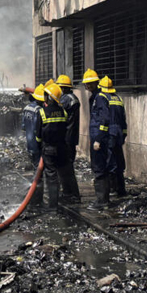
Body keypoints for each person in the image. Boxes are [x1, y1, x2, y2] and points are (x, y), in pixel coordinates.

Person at [36, 82, 68, 208]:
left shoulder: (42, 112)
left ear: (49, 97)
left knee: (51, 176)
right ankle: (61, 200)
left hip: (48, 148)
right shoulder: (63, 112)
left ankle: (53, 205)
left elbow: (38, 134)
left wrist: (40, 147)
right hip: (61, 148)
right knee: (61, 174)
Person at [82, 69, 111, 208]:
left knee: (100, 168)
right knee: (97, 167)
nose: (88, 86)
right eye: (86, 84)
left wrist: (98, 139)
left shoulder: (100, 97)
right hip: (95, 138)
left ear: (96, 83)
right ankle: (101, 199)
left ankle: (102, 201)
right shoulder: (94, 97)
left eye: (90, 83)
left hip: (99, 139)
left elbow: (105, 120)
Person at [99, 76, 128, 197]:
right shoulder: (118, 98)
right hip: (119, 133)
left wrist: (100, 136)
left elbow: (104, 118)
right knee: (119, 160)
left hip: (110, 132)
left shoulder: (103, 98)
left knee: (110, 161)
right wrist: (124, 134)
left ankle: (113, 189)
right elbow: (123, 119)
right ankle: (121, 189)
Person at [56, 74, 82, 202]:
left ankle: (72, 195)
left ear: (63, 88)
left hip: (66, 138)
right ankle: (69, 194)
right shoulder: (73, 98)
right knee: (66, 167)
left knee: (66, 168)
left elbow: (59, 113)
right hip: (71, 137)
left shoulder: (65, 100)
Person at [22, 84, 44, 202]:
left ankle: (33, 193)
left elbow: (24, 127)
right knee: (39, 172)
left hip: (29, 143)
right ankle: (37, 197)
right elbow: (38, 129)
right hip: (38, 144)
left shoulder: (26, 108)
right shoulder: (39, 110)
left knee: (35, 168)